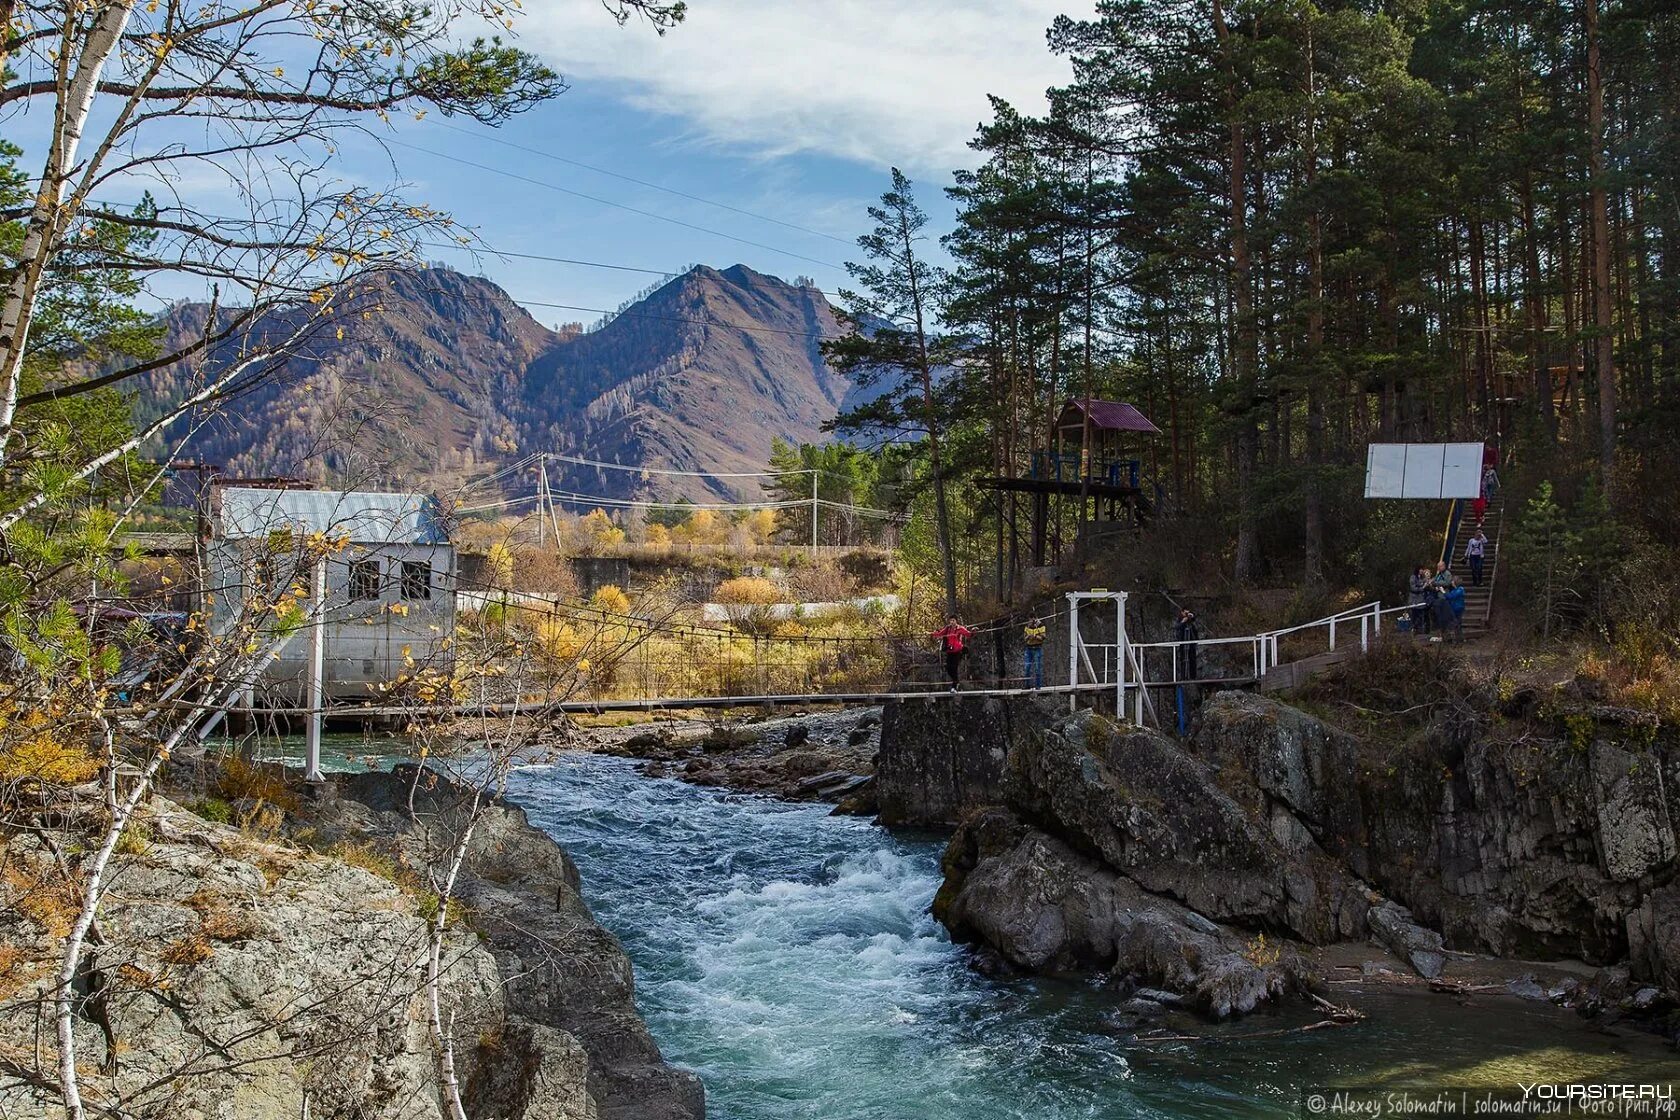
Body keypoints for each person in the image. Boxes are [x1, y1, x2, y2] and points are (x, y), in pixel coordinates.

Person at [933, 616, 972, 691]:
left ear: (956, 621)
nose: (952, 622)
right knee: (948, 669)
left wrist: (974, 632)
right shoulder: (948, 629)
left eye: (953, 620)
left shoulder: (960, 628)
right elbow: (940, 634)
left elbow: (968, 634)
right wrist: (932, 634)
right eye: (950, 621)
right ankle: (956, 682)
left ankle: (954, 686)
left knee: (954, 668)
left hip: (958, 651)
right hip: (950, 651)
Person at [1174, 608, 1201, 681]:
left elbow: (1196, 629)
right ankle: (1183, 676)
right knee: (1182, 659)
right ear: (1181, 612)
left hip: (1191, 643)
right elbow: (1176, 628)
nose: (1186, 615)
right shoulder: (1179, 620)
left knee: (1192, 659)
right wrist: (1183, 622)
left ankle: (1193, 676)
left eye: (1188, 613)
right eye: (1185, 613)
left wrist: (1192, 618)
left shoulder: (1191, 622)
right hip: (1182, 643)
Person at [1022, 617, 1046, 689]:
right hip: (1028, 648)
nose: (1031, 621)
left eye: (1033, 619)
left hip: (1037, 648)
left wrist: (1035, 636)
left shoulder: (1041, 625)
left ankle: (1038, 686)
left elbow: (1043, 637)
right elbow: (1025, 638)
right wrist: (1028, 636)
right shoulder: (1027, 626)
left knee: (1037, 668)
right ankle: (1027, 685)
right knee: (1027, 667)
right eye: (1030, 619)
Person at [1409, 567, 1430, 635]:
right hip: (1414, 599)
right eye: (1421, 569)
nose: (1422, 571)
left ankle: (1420, 629)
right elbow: (1413, 588)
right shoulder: (1413, 577)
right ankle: (1414, 628)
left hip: (1421, 600)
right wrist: (1422, 587)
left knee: (1421, 615)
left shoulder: (1422, 578)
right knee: (1414, 614)